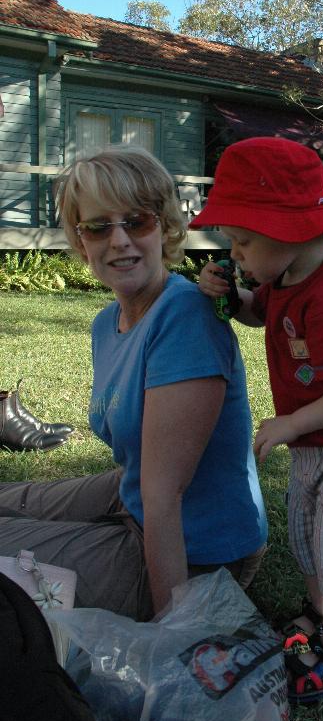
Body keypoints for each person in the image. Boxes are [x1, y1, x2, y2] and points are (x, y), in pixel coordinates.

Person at [0, 145, 267, 620]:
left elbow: (166, 497)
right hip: (134, 495)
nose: (119, 240)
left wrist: (173, 632)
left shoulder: (185, 316)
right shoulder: (107, 323)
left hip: (197, 554)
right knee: (10, 502)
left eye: (136, 221)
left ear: (163, 227)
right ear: (81, 242)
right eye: (99, 227)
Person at [193, 136, 323, 704]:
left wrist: (289, 424)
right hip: (318, 436)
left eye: (241, 241)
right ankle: (317, 615)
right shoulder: (284, 277)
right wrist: (229, 292)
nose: (233, 252)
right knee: (311, 537)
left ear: (286, 229)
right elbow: (254, 314)